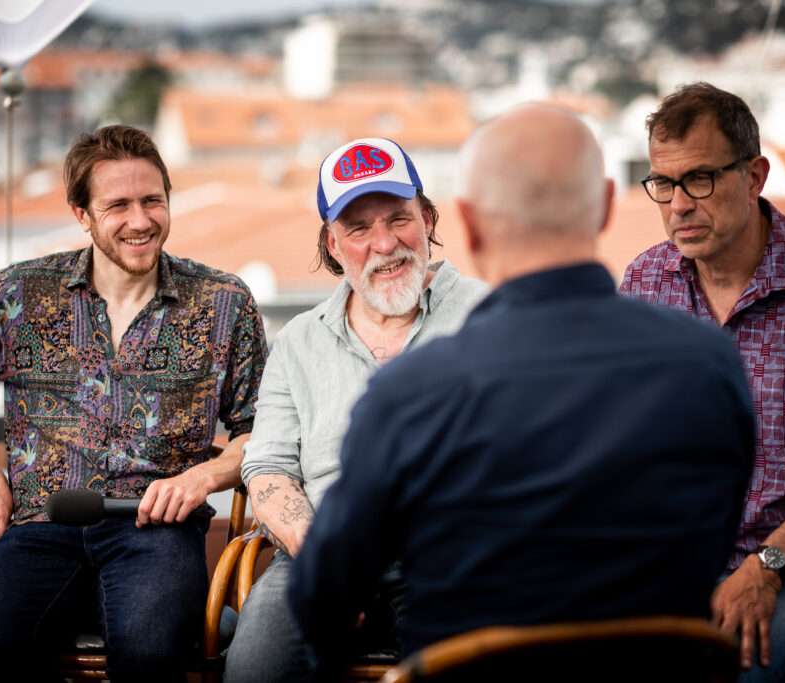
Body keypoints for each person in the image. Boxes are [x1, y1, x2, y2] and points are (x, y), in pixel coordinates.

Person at [287, 104, 756, 678]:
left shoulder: (410, 395)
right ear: (606, 206)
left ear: (469, 223)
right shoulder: (709, 364)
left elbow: (324, 596)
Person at [0, 125, 267, 681]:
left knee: (151, 657)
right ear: (82, 214)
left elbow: (259, 429)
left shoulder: (223, 301)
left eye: (153, 200)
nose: (141, 220)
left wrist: (206, 477)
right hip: (40, 526)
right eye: (118, 205)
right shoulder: (20, 293)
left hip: (158, 532)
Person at [621, 82, 785, 681]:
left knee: (749, 660)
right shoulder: (644, 282)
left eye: (699, 179)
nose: (678, 205)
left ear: (755, 176)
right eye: (663, 183)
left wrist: (768, 565)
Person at [225, 137, 489, 683]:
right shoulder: (299, 341)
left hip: (451, 556)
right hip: (322, 546)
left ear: (429, 217)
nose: (385, 243)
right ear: (332, 242)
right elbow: (268, 466)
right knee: (254, 670)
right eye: (359, 228)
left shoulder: (489, 316)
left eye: (398, 218)